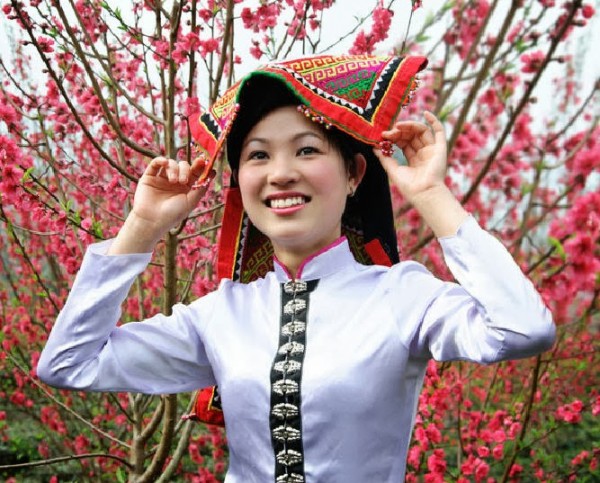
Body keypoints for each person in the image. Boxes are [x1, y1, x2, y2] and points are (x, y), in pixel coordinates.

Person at [37, 55, 555, 483]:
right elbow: (68, 364)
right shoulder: (222, 313)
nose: (281, 174)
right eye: (257, 156)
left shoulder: (402, 296)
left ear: (354, 174)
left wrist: (430, 194)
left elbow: (523, 329)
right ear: (240, 180)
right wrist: (143, 227)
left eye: (307, 150)